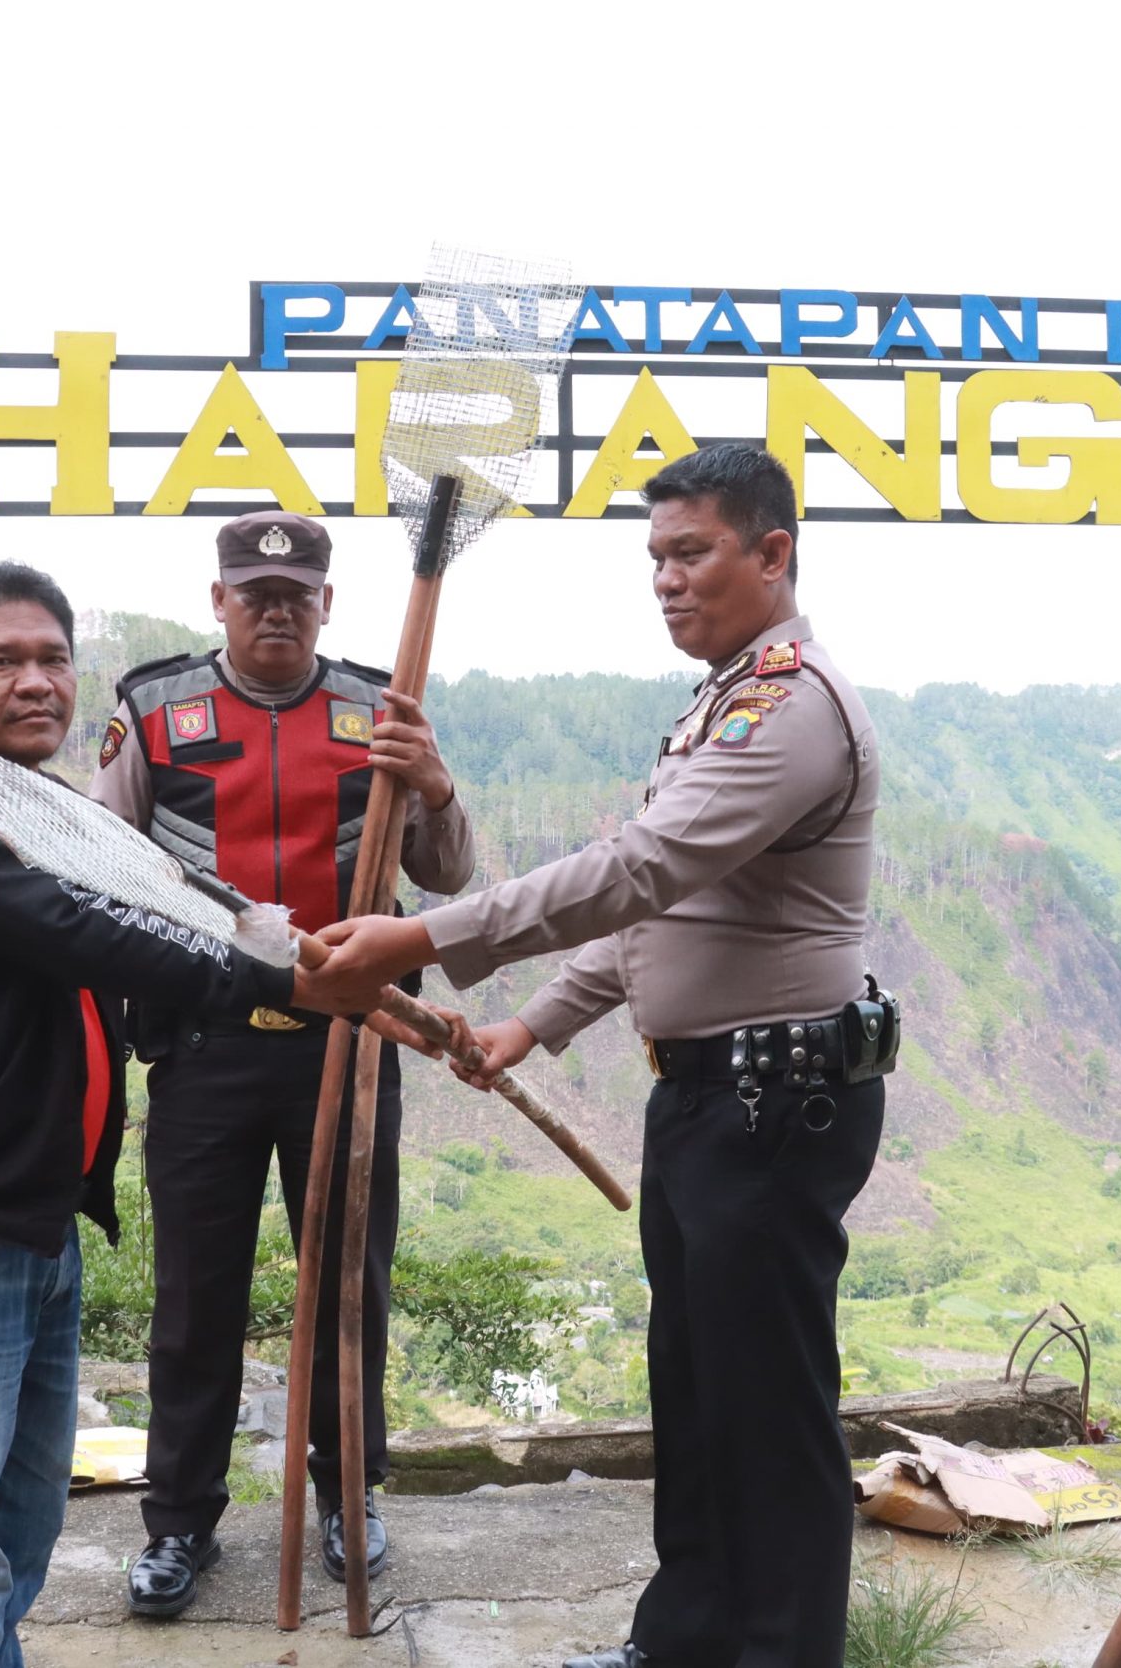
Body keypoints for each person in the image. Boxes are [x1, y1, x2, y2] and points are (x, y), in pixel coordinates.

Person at [315, 444, 890, 1668]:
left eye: (692, 554)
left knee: (769, 1415)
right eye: (656, 560)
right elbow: (661, 916)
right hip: (709, 1102)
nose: (666, 583)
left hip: (777, 1106)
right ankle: (681, 1645)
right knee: (696, 1396)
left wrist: (423, 934)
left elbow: (640, 871)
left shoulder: (791, 706)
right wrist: (535, 1023)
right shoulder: (723, 698)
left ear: (772, 552)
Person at [0, 562, 377, 1668]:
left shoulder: (45, 805)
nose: (35, 683)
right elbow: (88, 929)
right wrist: (287, 984)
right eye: (1, 661)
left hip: (33, 1233)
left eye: (54, 659)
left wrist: (299, 949)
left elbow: (175, 894)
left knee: (19, 1533)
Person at [87, 511, 474, 1617]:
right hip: (203, 1045)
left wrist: (434, 782)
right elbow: (105, 873)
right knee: (194, 1297)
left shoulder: (377, 709)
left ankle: (348, 1498)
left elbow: (449, 874)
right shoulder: (155, 709)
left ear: (325, 603)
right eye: (253, 592)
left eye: (295, 592)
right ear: (217, 601)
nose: (274, 609)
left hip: (349, 1049)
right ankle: (180, 1526)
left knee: (349, 1285)